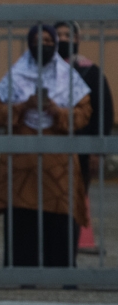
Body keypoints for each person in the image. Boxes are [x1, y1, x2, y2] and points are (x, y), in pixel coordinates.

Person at [0, 24, 91, 267]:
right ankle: (22, 271)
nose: (44, 45)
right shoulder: (15, 75)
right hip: (21, 159)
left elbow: (84, 112)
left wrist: (56, 112)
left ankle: (60, 270)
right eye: (38, 40)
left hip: (57, 159)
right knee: (22, 216)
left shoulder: (68, 77)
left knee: (59, 214)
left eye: (49, 41)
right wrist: (23, 106)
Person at [55, 21, 114, 189]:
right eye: (58, 35)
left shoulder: (90, 72)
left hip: (82, 148)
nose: (63, 39)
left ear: (77, 39)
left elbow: (104, 110)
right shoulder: (42, 70)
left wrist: (97, 150)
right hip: (50, 149)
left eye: (68, 36)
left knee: (77, 199)